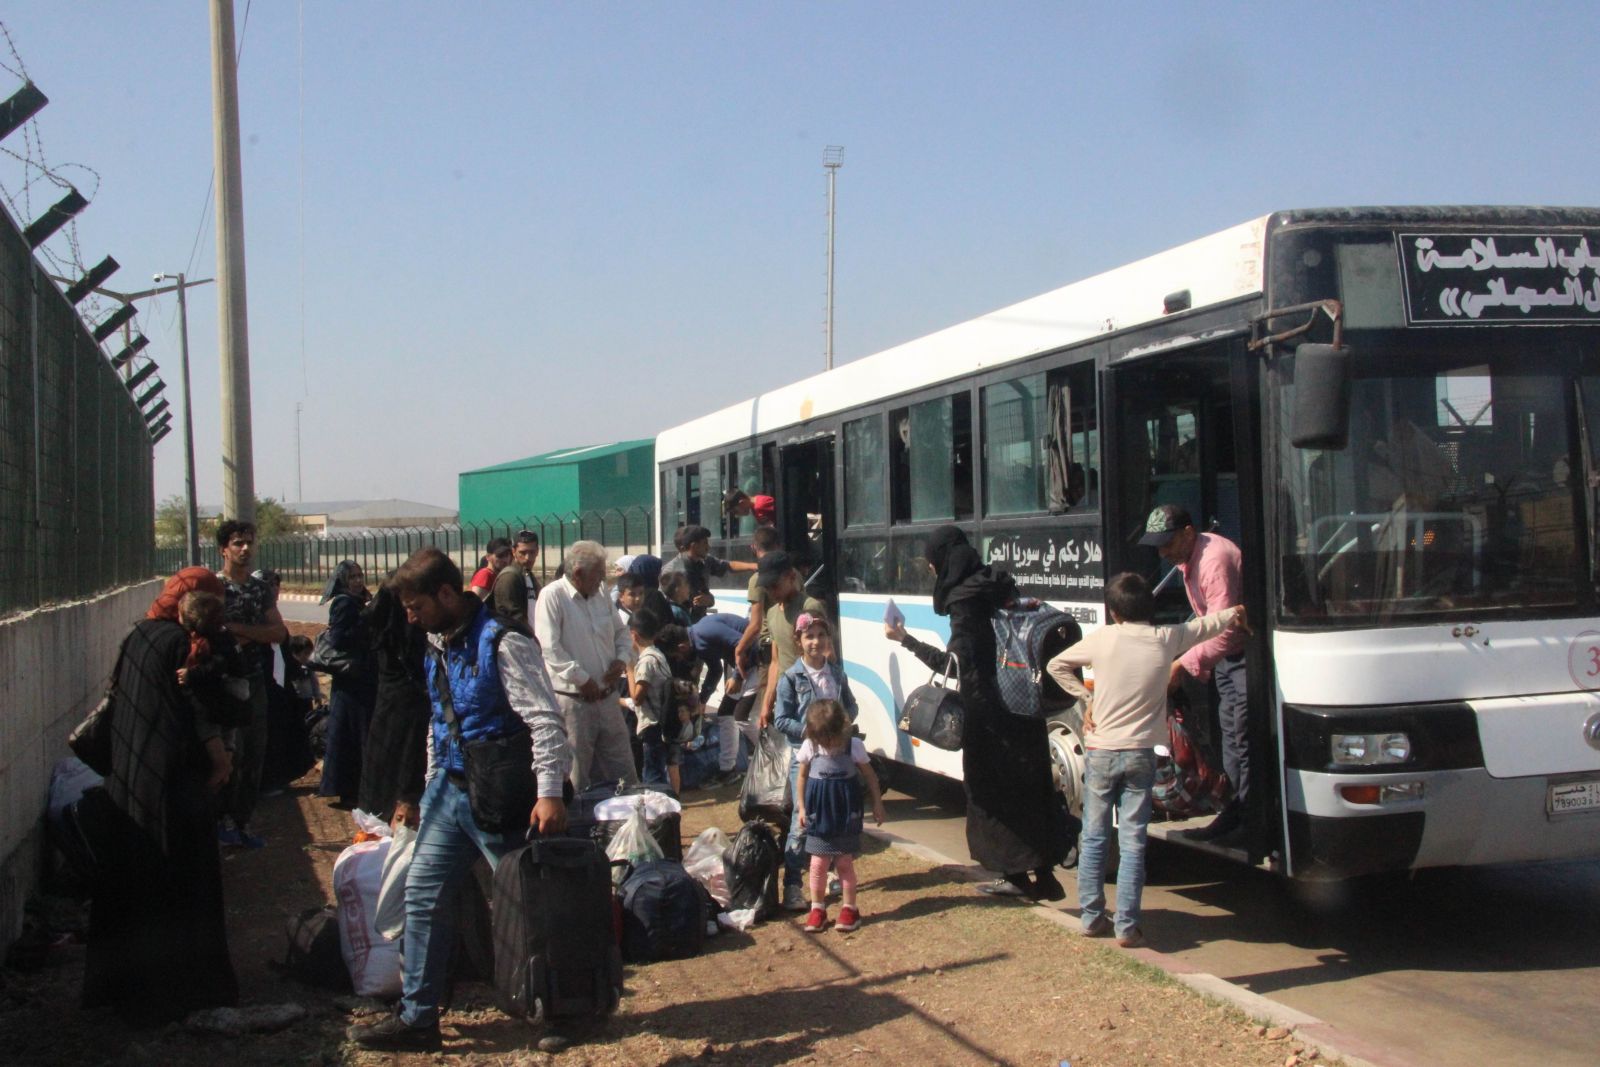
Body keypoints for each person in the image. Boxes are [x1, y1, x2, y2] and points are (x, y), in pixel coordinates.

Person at [348, 548, 571, 1053]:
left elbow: (544, 720)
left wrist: (550, 793)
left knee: (530, 905)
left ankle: (562, 1009)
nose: (410, 617)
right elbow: (439, 720)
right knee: (422, 898)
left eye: (416, 606)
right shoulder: (437, 642)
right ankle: (418, 1019)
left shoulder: (504, 642)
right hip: (449, 794)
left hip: (502, 797)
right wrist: (429, 789)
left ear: (446, 594)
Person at [1045, 572, 1247, 948]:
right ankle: (1127, 926)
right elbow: (1204, 627)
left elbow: (1056, 665)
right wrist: (1234, 612)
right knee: (1134, 840)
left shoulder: (1103, 639)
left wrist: (1086, 699)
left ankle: (1091, 917)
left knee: (1094, 835)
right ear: (1148, 609)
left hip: (1101, 752)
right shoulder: (1165, 638)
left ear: (1113, 612)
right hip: (1141, 755)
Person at [83, 568, 238, 1024]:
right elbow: (203, 713)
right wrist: (221, 761)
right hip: (173, 785)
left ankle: (122, 990)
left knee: (131, 888)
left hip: (128, 783)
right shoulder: (186, 646)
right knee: (180, 885)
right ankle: (179, 991)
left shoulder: (139, 635)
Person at [887, 525, 1072, 900]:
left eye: (932, 562)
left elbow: (955, 664)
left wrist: (905, 640)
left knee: (992, 793)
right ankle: (1044, 875)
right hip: (1024, 706)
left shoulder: (963, 601)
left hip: (990, 715)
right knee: (1031, 788)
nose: (932, 569)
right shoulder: (999, 583)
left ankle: (1014, 875)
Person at [1139, 504, 1250, 844]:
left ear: (1188, 533)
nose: (1163, 553)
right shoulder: (1191, 557)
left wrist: (1182, 665)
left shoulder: (1213, 561)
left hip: (1243, 657)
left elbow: (1226, 628)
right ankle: (1234, 812)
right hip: (1225, 661)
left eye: (1168, 543)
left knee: (1244, 740)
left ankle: (1250, 820)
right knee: (1231, 739)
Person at [534, 540, 638, 791]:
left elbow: (621, 633)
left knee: (625, 776)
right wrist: (582, 679)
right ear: (578, 573)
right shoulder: (553, 596)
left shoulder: (600, 594)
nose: (603, 579)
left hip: (608, 699)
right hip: (575, 703)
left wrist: (621, 660)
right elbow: (549, 647)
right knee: (576, 779)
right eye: (598, 573)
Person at [773, 613, 858, 910]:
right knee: (803, 818)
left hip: (836, 759)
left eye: (822, 635)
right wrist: (812, 732)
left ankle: (833, 871)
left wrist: (841, 726)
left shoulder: (837, 674)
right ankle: (793, 884)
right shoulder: (790, 678)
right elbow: (781, 719)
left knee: (835, 816)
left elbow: (851, 707)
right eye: (809, 636)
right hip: (806, 757)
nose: (816, 641)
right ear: (799, 641)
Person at [214, 520, 288, 848]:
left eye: (249, 542)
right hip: (222, 684)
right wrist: (254, 632)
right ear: (224, 549)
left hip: (255, 680)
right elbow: (213, 634)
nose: (245, 549)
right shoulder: (215, 588)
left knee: (254, 755)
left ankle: (242, 822)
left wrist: (236, 630)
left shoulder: (260, 590)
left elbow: (279, 632)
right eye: (237, 543)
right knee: (229, 755)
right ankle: (221, 822)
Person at [795, 698, 886, 933]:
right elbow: (802, 777)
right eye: (822, 739)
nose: (827, 743)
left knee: (844, 863)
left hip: (845, 811)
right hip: (819, 813)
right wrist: (802, 808)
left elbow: (870, 776)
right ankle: (817, 909)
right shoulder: (810, 747)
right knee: (818, 864)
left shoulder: (853, 746)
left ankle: (850, 909)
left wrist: (877, 803)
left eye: (831, 738)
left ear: (841, 729)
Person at [359, 580, 433, 824]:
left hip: (387, 707)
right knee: (407, 769)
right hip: (412, 709)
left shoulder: (381, 629)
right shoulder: (411, 633)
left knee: (383, 770)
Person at [318, 560, 377, 808]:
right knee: (349, 734)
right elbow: (338, 639)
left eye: (359, 575)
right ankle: (348, 789)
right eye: (352, 577)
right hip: (350, 681)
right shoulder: (344, 603)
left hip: (359, 679)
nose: (357, 581)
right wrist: (365, 623)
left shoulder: (359, 601)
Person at [629, 614, 697, 793]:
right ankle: (672, 800)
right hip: (666, 721)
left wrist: (629, 670)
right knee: (666, 767)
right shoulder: (659, 655)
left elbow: (637, 697)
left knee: (653, 775)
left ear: (634, 635)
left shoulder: (646, 661)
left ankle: (658, 808)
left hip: (653, 725)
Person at [690, 609, 750, 784]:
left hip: (754, 662)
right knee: (729, 714)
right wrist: (703, 699)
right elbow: (715, 669)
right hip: (746, 666)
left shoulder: (702, 633)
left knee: (743, 717)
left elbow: (743, 643)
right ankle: (728, 769)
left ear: (681, 646)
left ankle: (779, 757)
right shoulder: (698, 637)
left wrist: (737, 676)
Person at [660, 524, 757, 622]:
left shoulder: (706, 561)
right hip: (681, 623)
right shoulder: (672, 571)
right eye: (705, 543)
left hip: (700, 622)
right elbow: (663, 603)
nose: (708, 547)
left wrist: (754, 566)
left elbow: (728, 566)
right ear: (694, 546)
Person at [489, 529, 542, 633]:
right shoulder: (509, 577)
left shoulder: (527, 574)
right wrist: (531, 636)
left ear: (537, 551)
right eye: (523, 553)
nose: (528, 558)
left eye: (532, 552)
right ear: (513, 551)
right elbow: (513, 617)